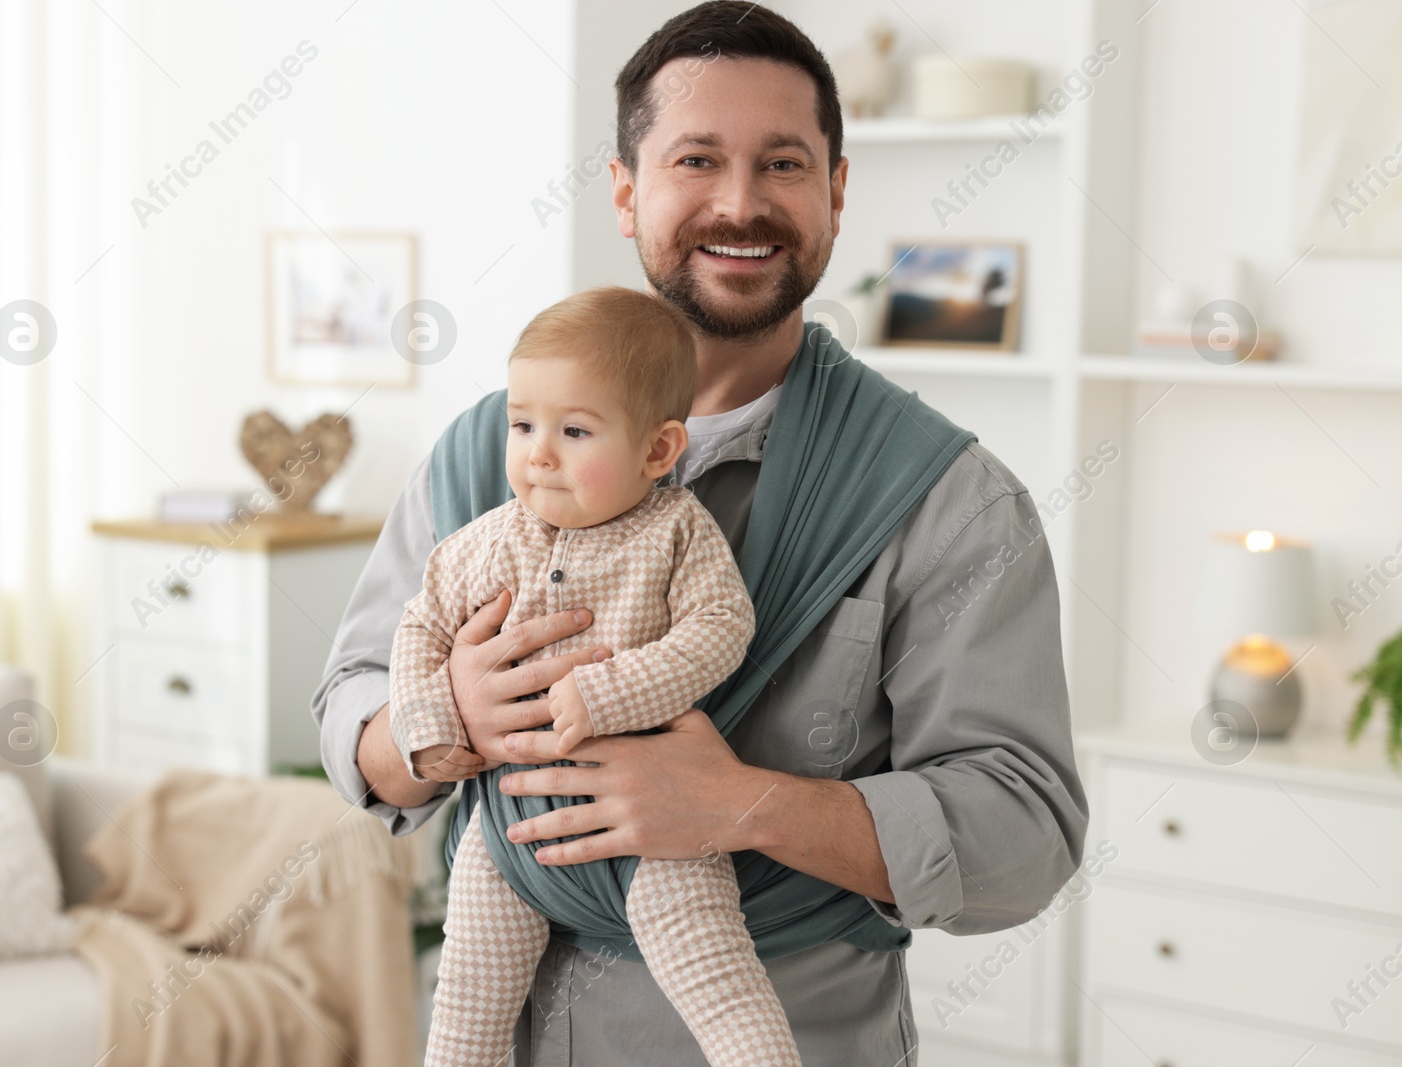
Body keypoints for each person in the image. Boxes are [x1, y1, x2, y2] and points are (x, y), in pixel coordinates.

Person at [311, 4, 1089, 1063]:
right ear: (627, 190)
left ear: (835, 193)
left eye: (782, 163)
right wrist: (451, 716)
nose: (740, 202)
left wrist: (743, 805)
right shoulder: (483, 452)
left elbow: (1024, 838)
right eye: (695, 159)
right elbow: (352, 705)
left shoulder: (945, 500)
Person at [396, 284, 806, 1067]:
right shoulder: (480, 545)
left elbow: (722, 629)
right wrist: (435, 724)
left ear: (658, 450)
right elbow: (418, 631)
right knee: (464, 1018)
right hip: (513, 826)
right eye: (522, 425)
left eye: (575, 430)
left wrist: (607, 692)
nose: (538, 451)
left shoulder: (677, 531)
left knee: (724, 988)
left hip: (658, 822)